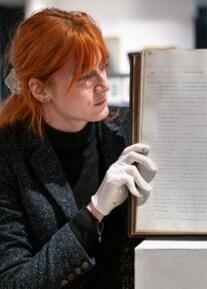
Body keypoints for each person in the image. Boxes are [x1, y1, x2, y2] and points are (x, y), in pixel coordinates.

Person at [0, 8, 157, 289]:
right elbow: (15, 281)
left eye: (104, 67)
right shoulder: (8, 154)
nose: (105, 85)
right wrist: (95, 210)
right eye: (86, 77)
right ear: (40, 89)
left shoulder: (129, 130)